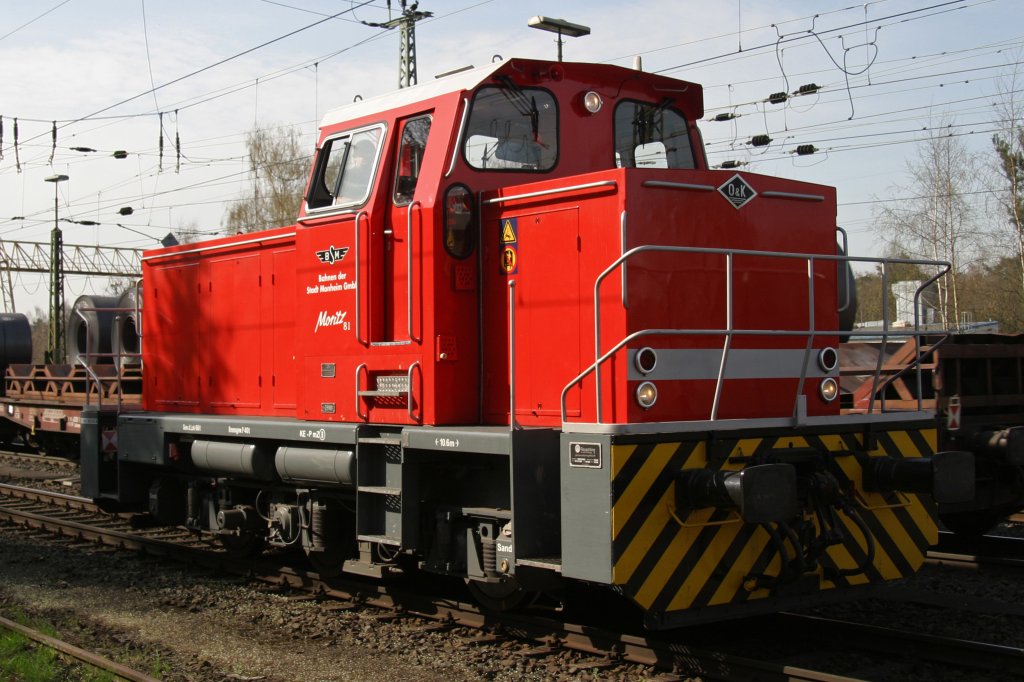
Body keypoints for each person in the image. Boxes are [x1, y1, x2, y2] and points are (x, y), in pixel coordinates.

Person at [336, 138, 375, 205]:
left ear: (372, 157)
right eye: (361, 155)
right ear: (354, 157)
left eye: (367, 155)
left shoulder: (375, 175)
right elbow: (339, 199)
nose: (364, 158)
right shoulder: (346, 175)